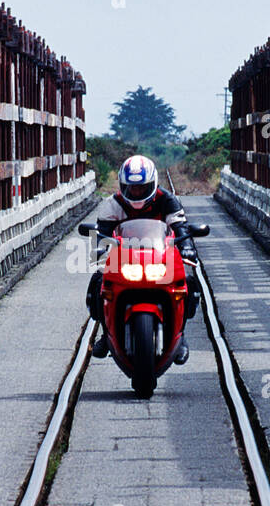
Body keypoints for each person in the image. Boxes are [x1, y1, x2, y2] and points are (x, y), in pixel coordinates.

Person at [85, 154, 201, 364]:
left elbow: (180, 227)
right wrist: (100, 253)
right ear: (122, 185)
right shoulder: (112, 204)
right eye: (131, 188)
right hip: (124, 260)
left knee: (189, 284)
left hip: (159, 257)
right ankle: (105, 333)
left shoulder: (167, 200)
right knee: (98, 284)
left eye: (141, 188)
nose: (136, 192)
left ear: (153, 184)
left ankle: (181, 335)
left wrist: (187, 248)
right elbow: (101, 235)